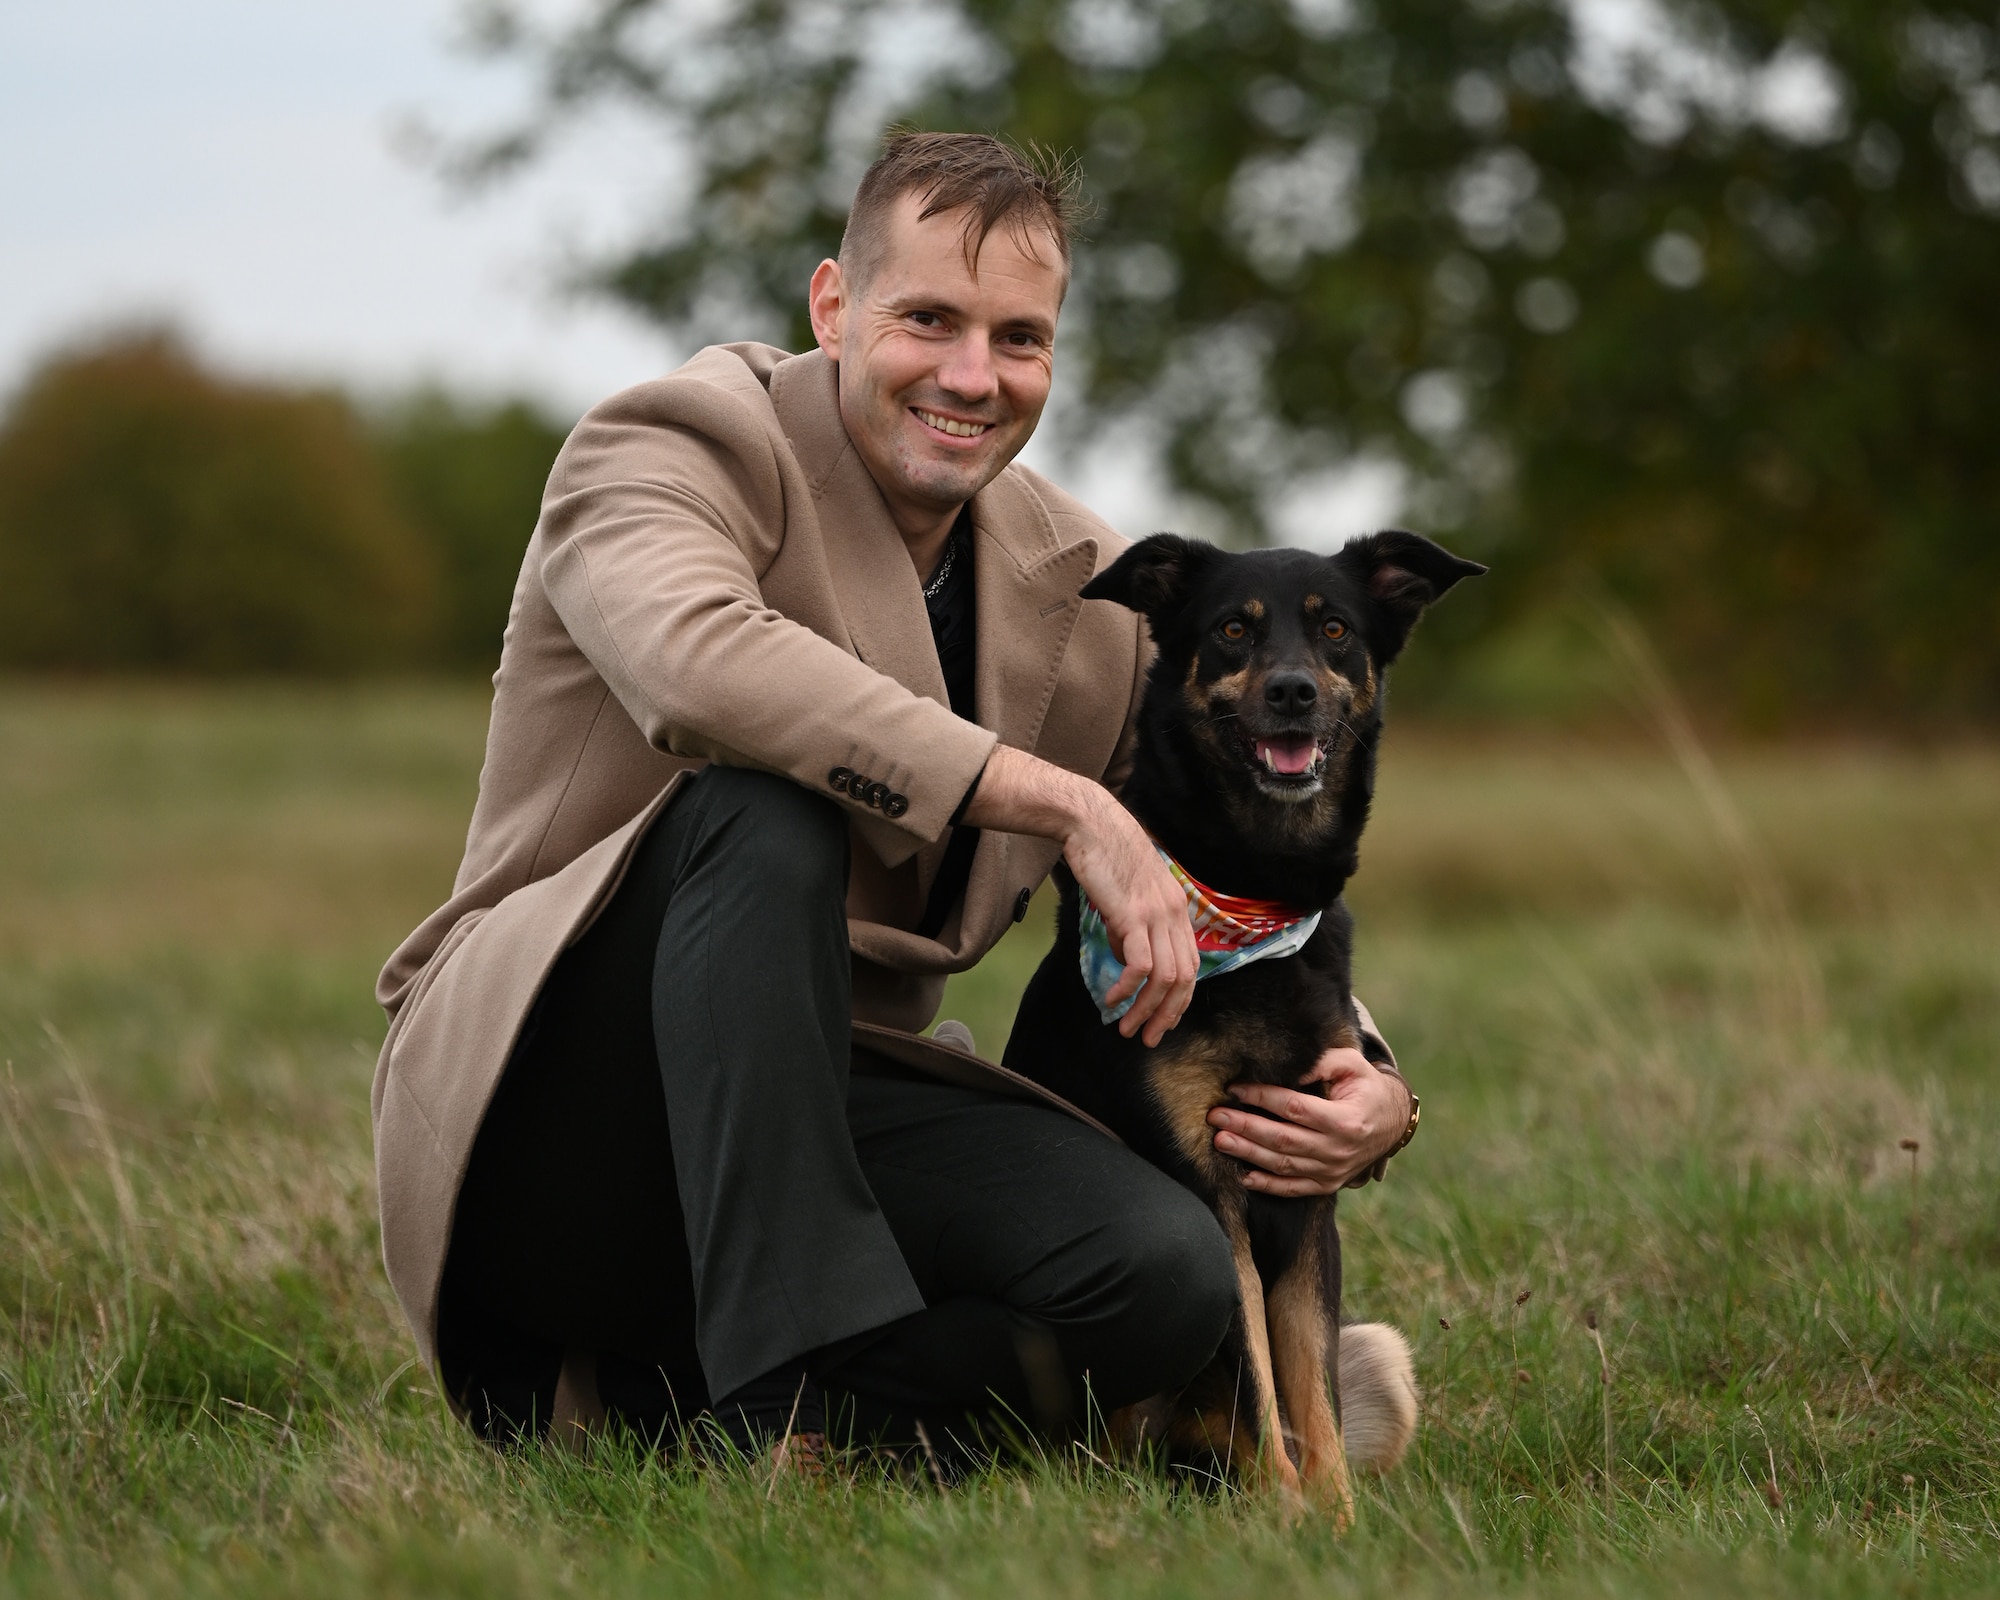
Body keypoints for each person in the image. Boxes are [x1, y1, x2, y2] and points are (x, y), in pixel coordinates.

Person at [371, 131, 1417, 1461]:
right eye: (929, 318)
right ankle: (790, 1398)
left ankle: (718, 1428)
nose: (973, 376)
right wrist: (1064, 802)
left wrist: (1369, 1079)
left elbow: (1213, 874)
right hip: (559, 1104)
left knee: (1163, 1271)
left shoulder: (1088, 586)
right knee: (761, 811)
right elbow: (697, 668)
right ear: (831, 307)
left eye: (1019, 337)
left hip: (833, 1107)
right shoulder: (668, 445)